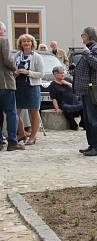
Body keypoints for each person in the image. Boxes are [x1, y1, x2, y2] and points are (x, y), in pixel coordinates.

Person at [73, 27, 97, 156]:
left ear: (89, 36)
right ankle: (92, 145)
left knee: (94, 119)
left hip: (91, 89)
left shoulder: (95, 48)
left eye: (83, 35)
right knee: (87, 119)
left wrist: (86, 53)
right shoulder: (90, 48)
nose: (82, 38)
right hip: (85, 90)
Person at [14, 34, 44, 145]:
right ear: (20, 44)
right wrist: (15, 73)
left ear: (32, 43)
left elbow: (41, 73)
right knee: (16, 111)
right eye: (23, 41)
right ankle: (21, 134)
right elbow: (12, 69)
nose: (26, 43)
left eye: (28, 41)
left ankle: (33, 136)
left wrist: (28, 72)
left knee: (34, 111)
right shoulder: (17, 55)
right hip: (18, 86)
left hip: (32, 86)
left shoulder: (37, 56)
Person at [0, 23, 24, 151]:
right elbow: (7, 59)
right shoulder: (3, 41)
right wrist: (16, 68)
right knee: (11, 113)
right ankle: (12, 142)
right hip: (5, 82)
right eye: (4, 31)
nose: (5, 33)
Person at [46, 66, 82, 130]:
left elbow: (76, 88)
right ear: (55, 74)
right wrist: (57, 109)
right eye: (61, 73)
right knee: (67, 109)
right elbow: (54, 98)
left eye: (63, 73)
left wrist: (67, 83)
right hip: (65, 103)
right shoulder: (53, 85)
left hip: (74, 101)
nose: (63, 74)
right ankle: (73, 125)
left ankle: (83, 123)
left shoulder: (68, 80)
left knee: (83, 106)